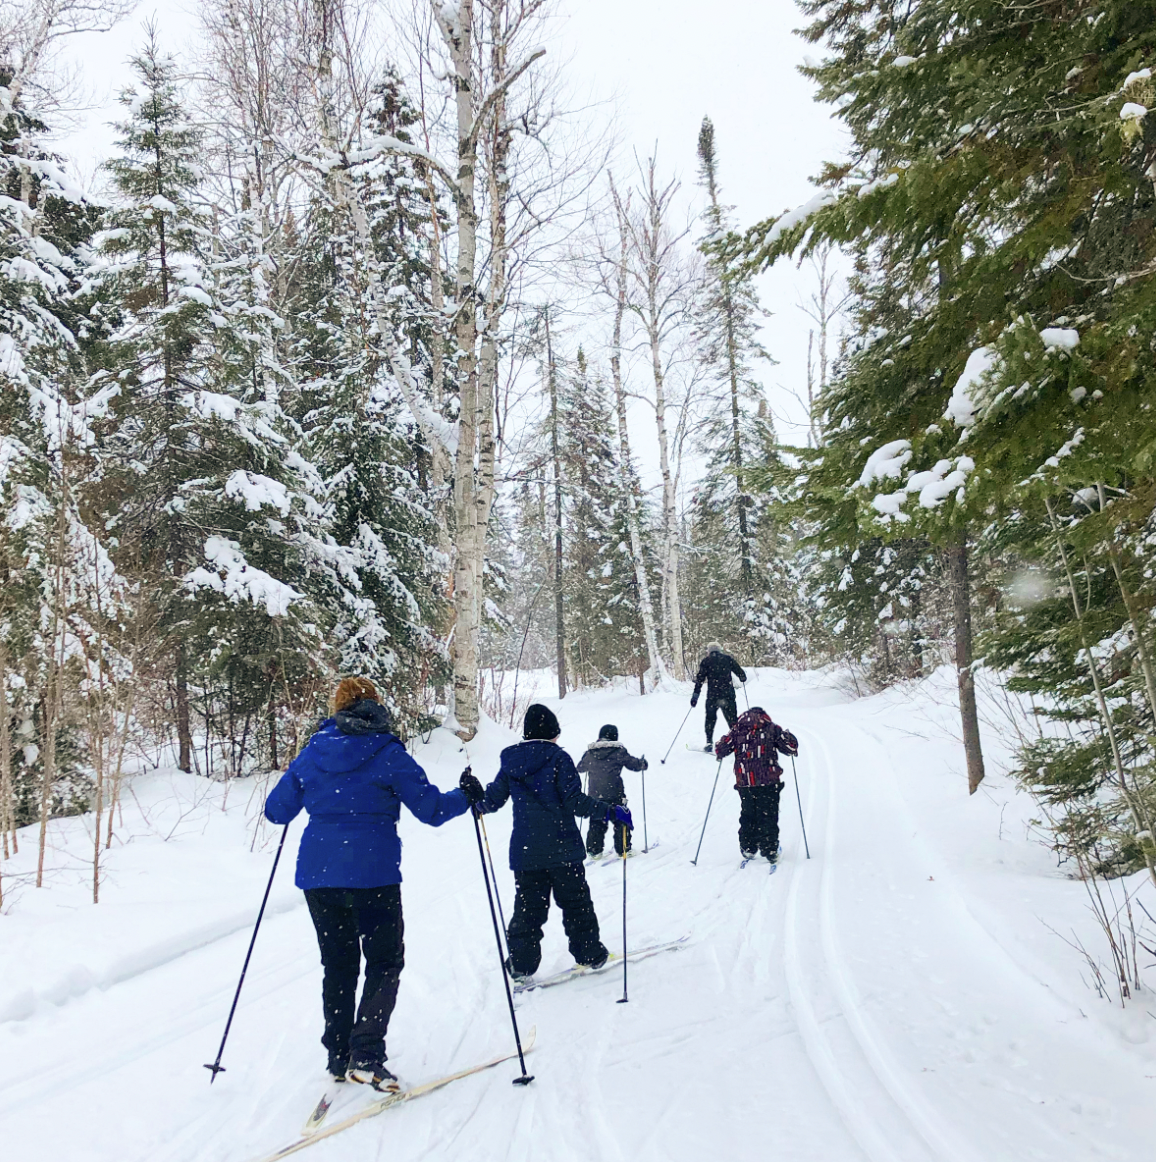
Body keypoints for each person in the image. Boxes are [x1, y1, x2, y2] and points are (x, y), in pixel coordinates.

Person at [264, 677, 470, 1089]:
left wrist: (307, 786)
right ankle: (367, 1054)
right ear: (375, 705)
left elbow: (276, 811)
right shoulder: (387, 752)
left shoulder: (313, 752)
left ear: (337, 708)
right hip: (372, 876)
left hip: (319, 877)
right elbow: (430, 810)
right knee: (384, 961)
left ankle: (339, 1054)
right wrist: (466, 795)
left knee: (338, 964)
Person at [458, 704, 632, 982]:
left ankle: (521, 965)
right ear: (552, 733)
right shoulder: (559, 759)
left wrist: (474, 796)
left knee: (528, 909)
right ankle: (589, 954)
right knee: (576, 905)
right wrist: (611, 811)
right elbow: (576, 802)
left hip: (527, 854)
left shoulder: (511, 762)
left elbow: (491, 801)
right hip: (563, 850)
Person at [714, 707, 799, 864]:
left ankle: (748, 847)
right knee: (768, 814)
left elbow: (720, 749)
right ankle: (770, 848)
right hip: (768, 780)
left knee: (748, 813)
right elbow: (790, 748)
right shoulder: (772, 729)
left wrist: (721, 745)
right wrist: (790, 738)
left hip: (745, 781)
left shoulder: (736, 730)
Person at [576, 724, 647, 858]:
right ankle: (623, 849)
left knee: (596, 821)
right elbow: (633, 764)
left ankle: (594, 850)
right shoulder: (618, 752)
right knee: (620, 819)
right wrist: (642, 763)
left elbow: (580, 768)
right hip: (615, 793)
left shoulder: (590, 753)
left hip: (595, 796)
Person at [690, 642, 747, 751]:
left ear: (709, 651)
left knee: (710, 719)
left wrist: (695, 697)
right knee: (732, 719)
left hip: (713, 696)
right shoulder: (727, 659)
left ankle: (709, 742)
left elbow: (700, 680)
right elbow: (740, 672)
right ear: (719, 650)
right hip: (728, 695)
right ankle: (737, 742)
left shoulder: (706, 661)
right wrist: (742, 677)